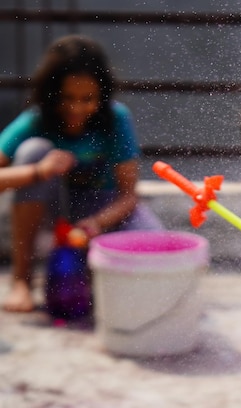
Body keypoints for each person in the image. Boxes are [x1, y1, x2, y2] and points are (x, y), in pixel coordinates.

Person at [0, 34, 162, 313]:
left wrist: (96, 224)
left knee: (157, 247)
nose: (76, 109)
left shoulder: (116, 118)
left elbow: (128, 196)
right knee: (34, 151)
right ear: (52, 95)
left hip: (101, 217)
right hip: (53, 220)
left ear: (102, 95)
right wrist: (38, 171)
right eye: (67, 98)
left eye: (88, 99)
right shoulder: (36, 121)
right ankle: (21, 282)